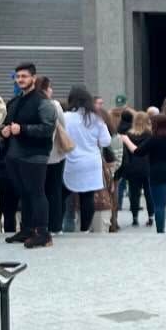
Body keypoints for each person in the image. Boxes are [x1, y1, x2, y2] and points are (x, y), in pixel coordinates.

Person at [0, 62, 56, 249]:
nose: (20, 80)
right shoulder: (15, 101)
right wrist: (4, 131)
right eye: (18, 77)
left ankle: (43, 233)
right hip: (14, 155)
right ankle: (27, 229)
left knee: (37, 192)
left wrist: (22, 129)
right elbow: (6, 124)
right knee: (24, 193)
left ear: (33, 77)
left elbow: (48, 129)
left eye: (24, 76)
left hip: (34, 155)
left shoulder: (42, 101)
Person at [62, 86, 111, 235]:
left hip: (70, 160)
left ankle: (57, 226)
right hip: (91, 162)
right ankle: (84, 229)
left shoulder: (65, 117)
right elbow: (106, 141)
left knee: (62, 194)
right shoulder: (96, 119)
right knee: (87, 196)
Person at [37, 76, 70, 235]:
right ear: (44, 89)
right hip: (55, 154)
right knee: (55, 190)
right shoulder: (55, 105)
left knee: (39, 190)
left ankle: (39, 224)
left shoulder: (31, 104)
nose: (52, 90)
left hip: (36, 155)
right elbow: (63, 126)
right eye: (49, 87)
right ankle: (55, 226)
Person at [117, 109, 151, 225]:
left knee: (134, 193)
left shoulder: (128, 135)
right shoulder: (149, 134)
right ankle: (151, 216)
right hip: (147, 167)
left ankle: (135, 216)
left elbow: (126, 153)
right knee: (148, 192)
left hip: (132, 167)